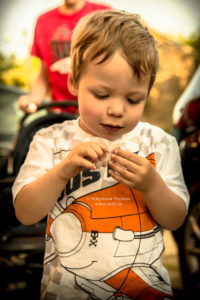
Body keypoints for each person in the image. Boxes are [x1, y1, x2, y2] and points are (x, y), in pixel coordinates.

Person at [12, 10, 190, 299]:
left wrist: (151, 184)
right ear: (73, 83)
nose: (117, 109)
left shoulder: (159, 143)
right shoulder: (49, 140)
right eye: (102, 94)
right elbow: (25, 212)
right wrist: (62, 171)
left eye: (133, 99)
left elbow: (175, 219)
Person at [18, 0, 111, 114]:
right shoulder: (43, 21)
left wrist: (80, 63)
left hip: (96, 113)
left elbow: (116, 64)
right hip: (57, 113)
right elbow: (44, 71)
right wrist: (35, 98)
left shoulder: (104, 14)